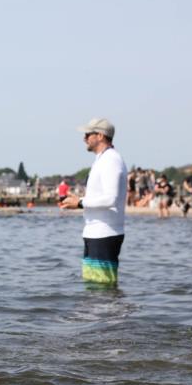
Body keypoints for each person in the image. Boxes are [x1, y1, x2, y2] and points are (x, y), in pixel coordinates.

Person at [59, 118, 127, 286]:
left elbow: (111, 198)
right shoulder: (101, 159)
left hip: (105, 233)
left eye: (88, 134)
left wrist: (80, 202)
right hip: (95, 232)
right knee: (93, 286)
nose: (84, 138)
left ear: (100, 136)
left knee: (102, 288)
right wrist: (78, 202)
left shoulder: (111, 160)